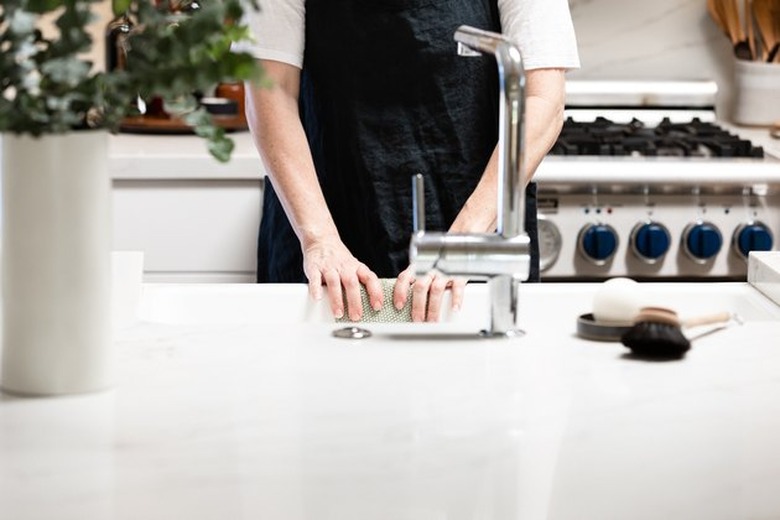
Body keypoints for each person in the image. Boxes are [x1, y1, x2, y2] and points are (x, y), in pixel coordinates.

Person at [242, 0, 579, 322]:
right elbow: (271, 89)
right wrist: (319, 239)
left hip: (474, 214)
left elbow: (542, 97)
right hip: (323, 214)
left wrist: (465, 240)